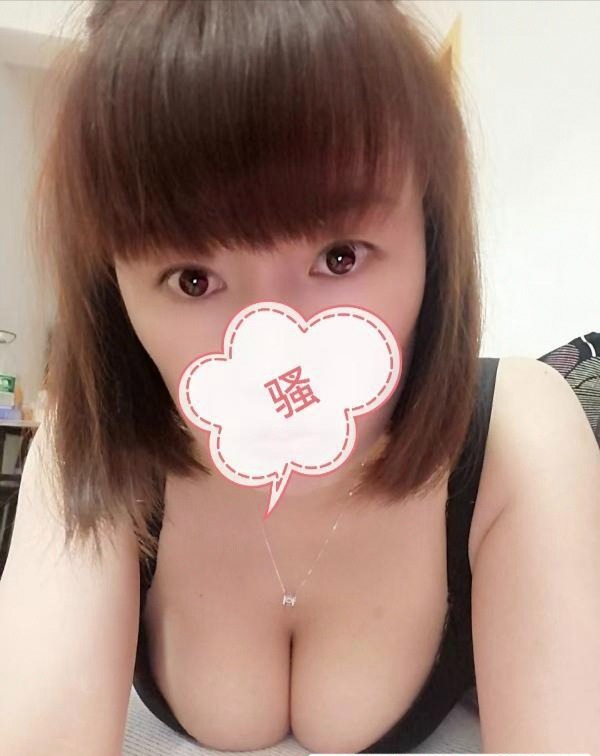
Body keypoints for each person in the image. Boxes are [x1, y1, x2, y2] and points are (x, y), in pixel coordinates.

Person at [1, 1, 599, 754]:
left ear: (430, 239)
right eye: (192, 279)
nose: (277, 339)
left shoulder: (516, 434)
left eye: (339, 258)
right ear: (114, 289)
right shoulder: (95, 443)